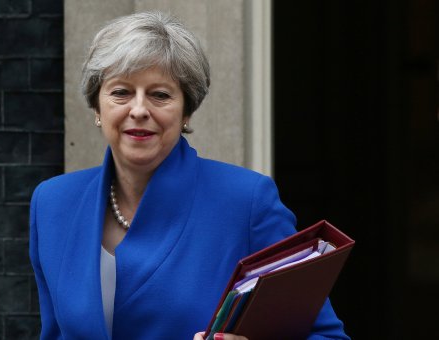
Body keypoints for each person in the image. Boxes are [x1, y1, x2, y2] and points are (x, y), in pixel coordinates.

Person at [29, 11, 349, 340]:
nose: (139, 110)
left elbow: (326, 336)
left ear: (187, 111)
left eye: (160, 95)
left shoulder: (246, 202)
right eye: (121, 92)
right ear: (97, 108)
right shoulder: (52, 203)